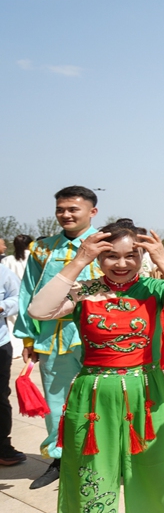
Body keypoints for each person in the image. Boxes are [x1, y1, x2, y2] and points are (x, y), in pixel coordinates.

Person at [27, 219, 164, 513]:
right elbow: (38, 311)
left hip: (146, 393)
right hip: (94, 399)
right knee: (94, 482)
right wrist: (78, 261)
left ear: (141, 255)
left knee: (158, 476)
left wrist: (163, 259)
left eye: (130, 256)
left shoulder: (153, 289)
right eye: (110, 256)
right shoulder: (85, 291)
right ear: (99, 257)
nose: (121, 265)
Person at [14, 186, 104, 489]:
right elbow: (29, 291)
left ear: (92, 212)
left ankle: (103, 457)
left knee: (102, 396)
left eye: (73, 209)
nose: (65, 215)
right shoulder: (42, 248)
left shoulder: (107, 243)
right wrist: (28, 338)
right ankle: (60, 458)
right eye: (60, 209)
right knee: (57, 401)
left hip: (99, 332)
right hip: (54, 334)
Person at [0, 263, 24, 466]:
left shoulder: (3, 273)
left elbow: (18, 298)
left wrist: (2, 306)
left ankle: (2, 446)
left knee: (0, 396)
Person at [2, 234, 33, 345]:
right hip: (31, 294)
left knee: (12, 323)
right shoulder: (34, 256)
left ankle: (16, 348)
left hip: (12, 295)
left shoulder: (7, 260)